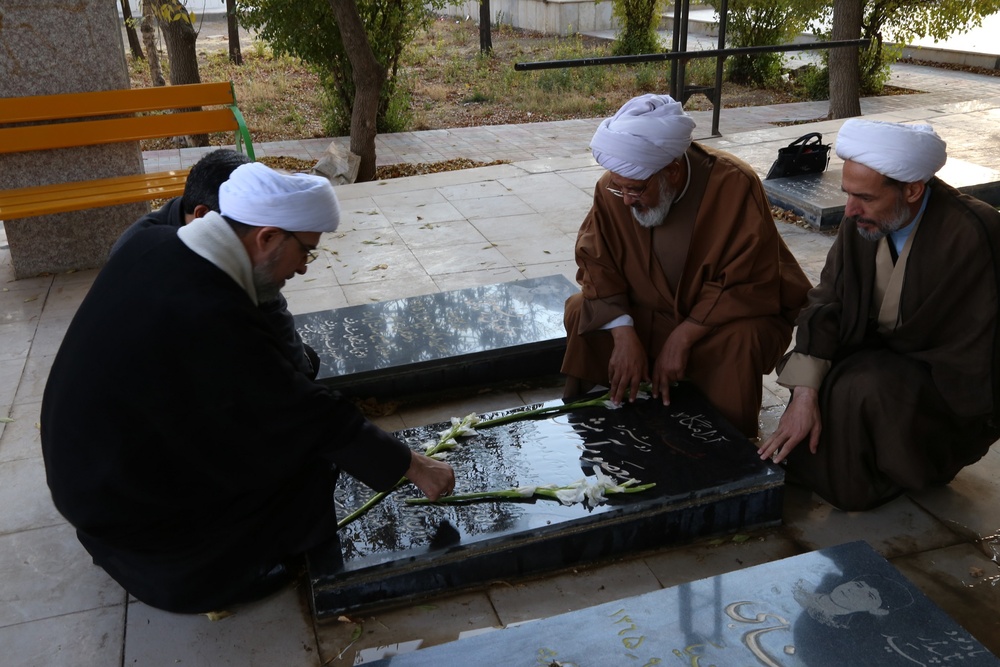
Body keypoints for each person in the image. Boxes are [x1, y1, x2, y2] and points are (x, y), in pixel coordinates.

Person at [40, 162, 455, 614]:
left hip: (88, 478)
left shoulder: (153, 243)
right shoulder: (211, 310)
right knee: (305, 462)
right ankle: (221, 574)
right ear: (268, 237)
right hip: (126, 509)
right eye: (307, 253)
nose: (302, 270)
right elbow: (304, 411)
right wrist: (413, 466)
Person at [759, 119, 1000, 511]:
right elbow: (827, 300)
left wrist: (873, 361)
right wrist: (804, 392)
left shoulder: (974, 232)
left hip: (944, 389)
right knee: (821, 374)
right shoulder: (863, 222)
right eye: (848, 194)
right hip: (881, 362)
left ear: (912, 189)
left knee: (862, 384)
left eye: (865, 198)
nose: (850, 210)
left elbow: (978, 353)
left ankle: (893, 470)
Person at [561, 93, 812, 438]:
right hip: (646, 318)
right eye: (620, 190)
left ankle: (727, 447)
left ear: (673, 171)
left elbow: (748, 279)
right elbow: (596, 264)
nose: (627, 201)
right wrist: (623, 333)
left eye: (636, 190)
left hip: (717, 323)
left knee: (745, 337)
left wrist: (683, 337)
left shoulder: (734, 184)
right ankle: (603, 424)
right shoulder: (614, 188)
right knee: (580, 310)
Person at [111, 149, 320, 379]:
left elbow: (273, 313)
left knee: (305, 361)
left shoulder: (234, 240)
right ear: (202, 215)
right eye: (244, 221)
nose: (258, 235)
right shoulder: (144, 253)